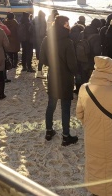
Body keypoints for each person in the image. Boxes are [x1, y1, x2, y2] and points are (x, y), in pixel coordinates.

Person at [76, 56, 112, 196]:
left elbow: (79, 114)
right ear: (111, 69)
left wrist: (92, 124)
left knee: (95, 166)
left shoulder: (84, 88)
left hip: (91, 134)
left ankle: (95, 192)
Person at [40, 15, 78, 146]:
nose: (69, 26)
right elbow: (72, 64)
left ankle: (49, 131)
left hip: (53, 76)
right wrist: (75, 73)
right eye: (67, 24)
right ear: (63, 25)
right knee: (65, 107)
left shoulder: (46, 39)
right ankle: (66, 136)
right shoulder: (68, 42)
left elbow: (43, 59)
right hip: (65, 77)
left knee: (51, 104)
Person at [32, 10, 47, 79]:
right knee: (42, 57)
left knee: (39, 56)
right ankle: (39, 72)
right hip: (41, 40)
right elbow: (42, 33)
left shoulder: (34, 20)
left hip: (35, 40)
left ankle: (40, 71)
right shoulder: (43, 22)